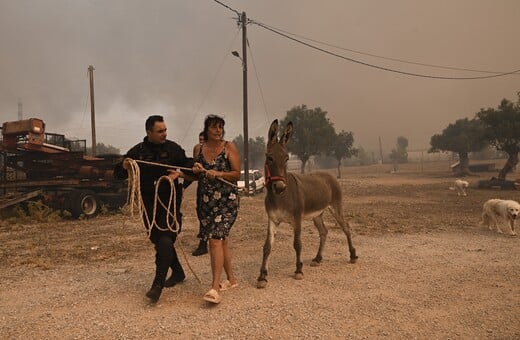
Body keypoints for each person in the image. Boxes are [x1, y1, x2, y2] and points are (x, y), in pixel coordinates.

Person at [114, 115, 194, 303]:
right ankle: (179, 273)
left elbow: (189, 165)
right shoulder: (137, 152)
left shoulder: (173, 149)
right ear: (149, 132)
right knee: (159, 241)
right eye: (160, 131)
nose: (164, 134)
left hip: (170, 205)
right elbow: (117, 173)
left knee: (166, 240)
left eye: (165, 130)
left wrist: (181, 172)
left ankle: (157, 286)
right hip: (149, 206)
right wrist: (124, 166)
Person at [192, 114, 240, 304]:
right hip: (205, 202)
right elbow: (195, 177)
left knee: (215, 240)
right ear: (207, 129)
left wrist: (218, 173)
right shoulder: (198, 149)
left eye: (220, 127)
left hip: (227, 201)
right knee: (222, 240)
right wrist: (194, 170)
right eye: (214, 127)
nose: (218, 130)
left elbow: (236, 174)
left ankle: (214, 287)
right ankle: (232, 280)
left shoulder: (229, 147)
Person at [188, 132, 209, 256]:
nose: (201, 141)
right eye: (200, 139)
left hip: (213, 187)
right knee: (200, 212)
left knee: (208, 216)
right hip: (201, 187)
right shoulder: (197, 149)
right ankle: (205, 235)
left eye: (203, 139)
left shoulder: (214, 150)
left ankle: (203, 244)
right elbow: (193, 170)